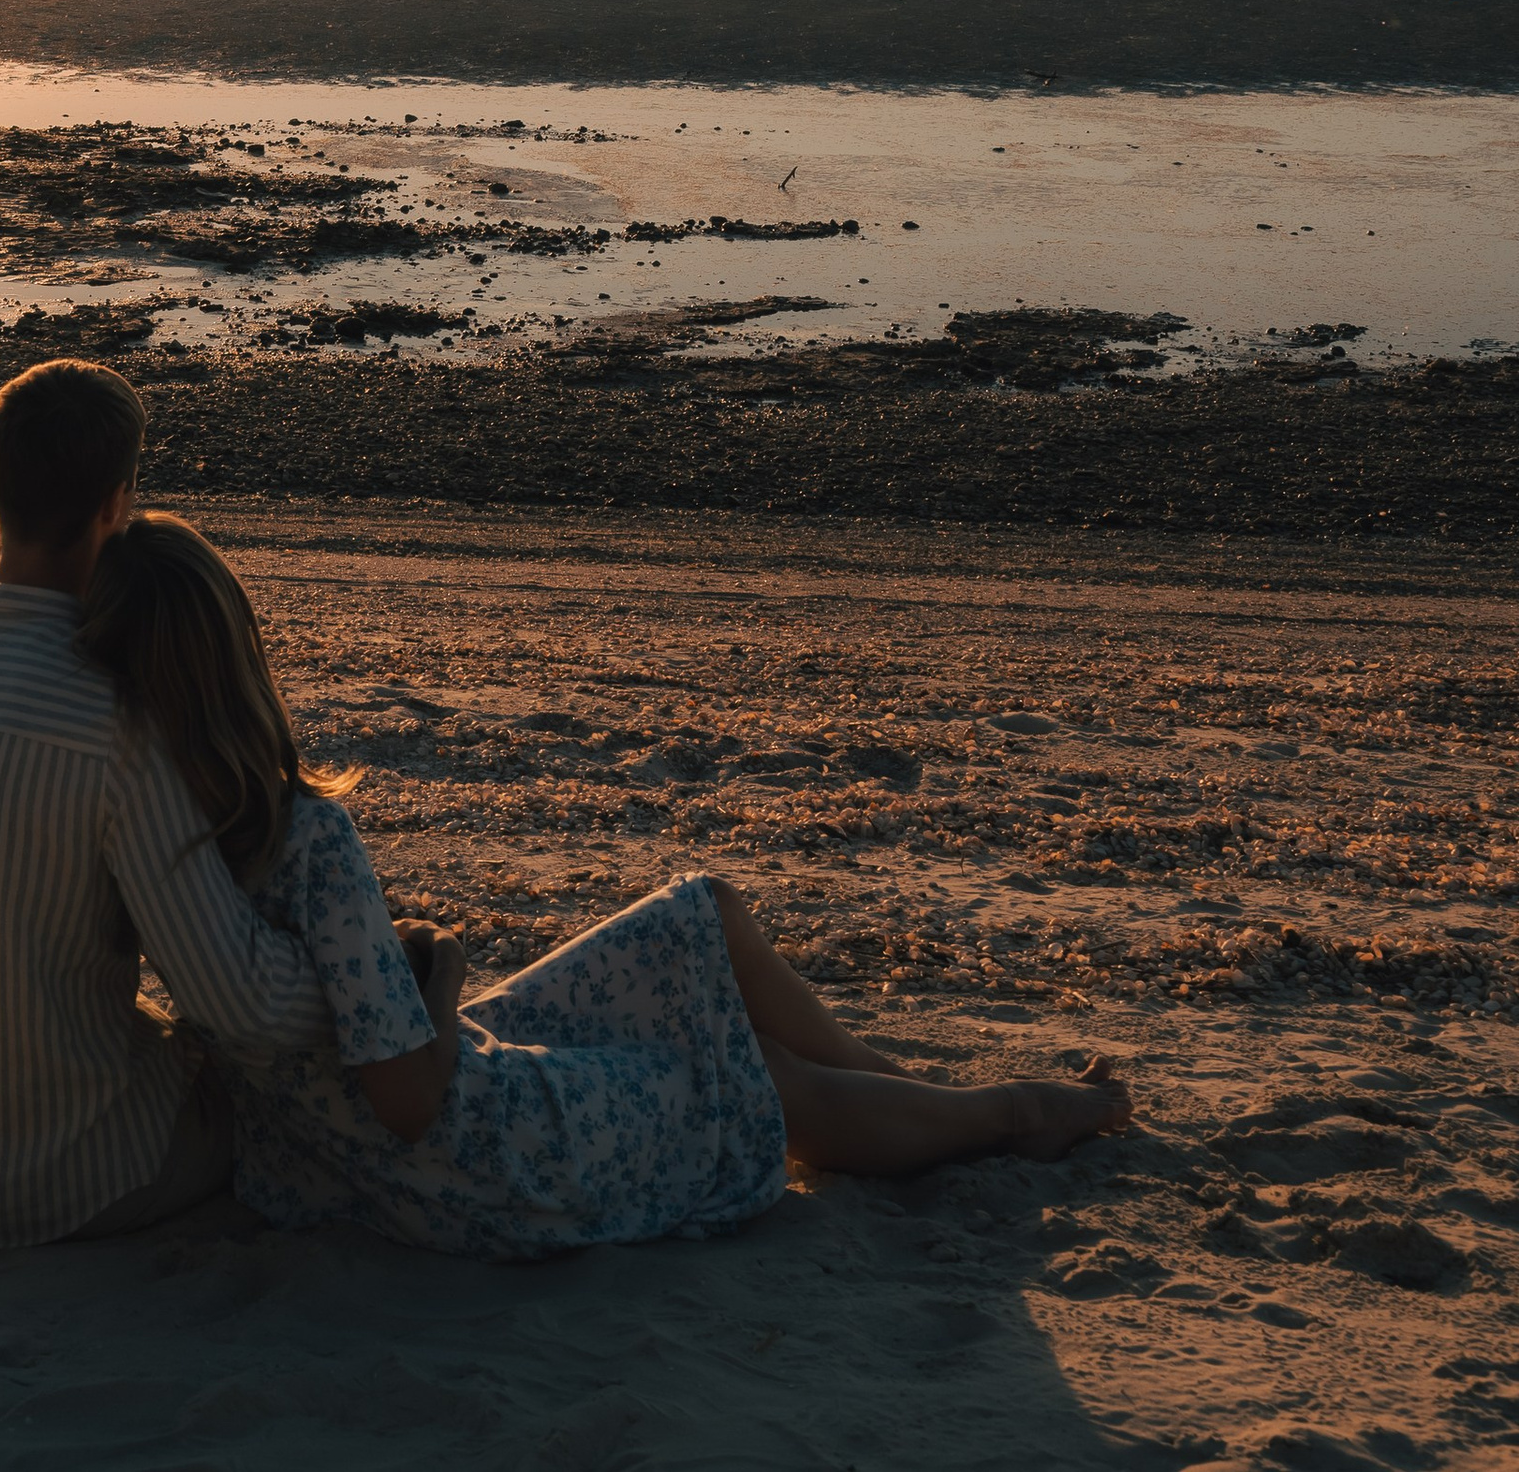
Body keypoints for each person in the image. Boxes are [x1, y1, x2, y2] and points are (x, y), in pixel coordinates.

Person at [78, 512, 1132, 1258]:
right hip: (482, 1159)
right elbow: (410, 1098)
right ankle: (1009, 1115)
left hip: (331, 1154)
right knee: (754, 1077)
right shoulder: (304, 837)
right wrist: (438, 968)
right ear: (239, 660)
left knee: (701, 913)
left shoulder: (147, 841)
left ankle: (917, 1100)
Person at [0, 359, 332, 1248]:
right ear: (117, 504)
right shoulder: (121, 721)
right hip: (61, 1178)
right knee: (250, 1087)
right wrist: (360, 985)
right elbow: (237, 996)